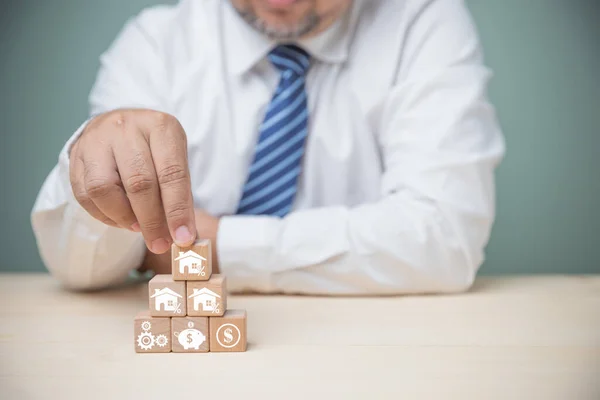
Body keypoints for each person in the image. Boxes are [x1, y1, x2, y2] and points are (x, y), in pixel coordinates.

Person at [31, 0, 505, 295]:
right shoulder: (156, 42)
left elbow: (443, 239)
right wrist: (94, 172)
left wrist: (214, 245)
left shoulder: (424, 22)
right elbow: (82, 270)